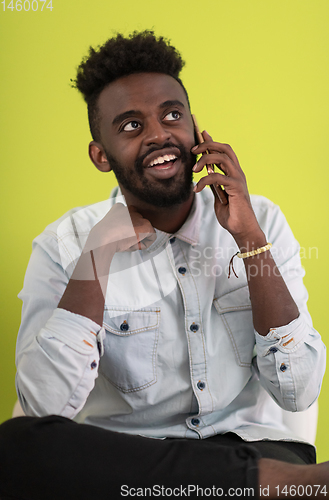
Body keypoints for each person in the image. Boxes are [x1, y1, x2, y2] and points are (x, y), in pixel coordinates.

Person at [0, 30, 327, 500]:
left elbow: (297, 391)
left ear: (196, 129)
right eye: (131, 126)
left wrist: (250, 238)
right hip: (129, 463)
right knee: (15, 446)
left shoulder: (263, 221)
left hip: (252, 449)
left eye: (172, 115)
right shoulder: (65, 244)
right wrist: (96, 258)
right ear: (100, 155)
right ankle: (282, 489)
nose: (158, 134)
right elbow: (42, 409)